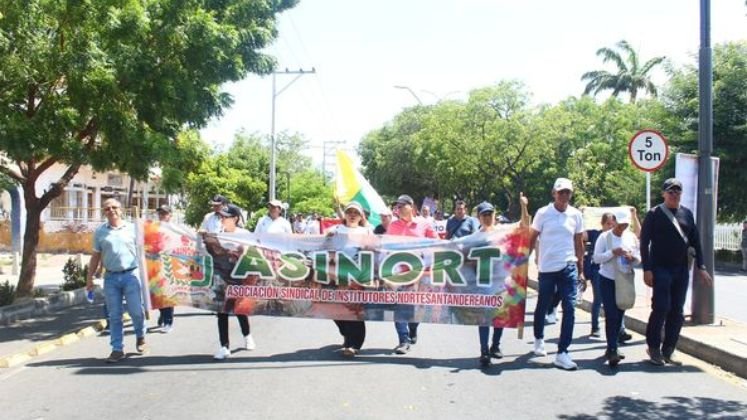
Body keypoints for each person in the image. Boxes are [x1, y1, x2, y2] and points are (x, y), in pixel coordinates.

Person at [641, 178, 712, 366]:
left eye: (677, 192)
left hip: (680, 269)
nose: (674, 195)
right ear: (664, 194)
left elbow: (695, 242)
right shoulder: (654, 214)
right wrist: (647, 269)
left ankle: (669, 349)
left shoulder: (687, 214)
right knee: (661, 307)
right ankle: (654, 347)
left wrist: (702, 267)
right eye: (670, 192)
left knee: (677, 311)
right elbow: (644, 243)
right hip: (660, 268)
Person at [528, 177, 585, 370]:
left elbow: (579, 243)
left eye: (567, 192)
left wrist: (581, 271)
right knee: (543, 304)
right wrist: (523, 263)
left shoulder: (576, 215)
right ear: (554, 193)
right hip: (547, 268)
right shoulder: (543, 213)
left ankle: (562, 352)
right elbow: (532, 238)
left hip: (568, 266)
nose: (564, 196)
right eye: (561, 192)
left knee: (569, 308)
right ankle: (538, 338)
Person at [85, 198, 146, 363]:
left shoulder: (133, 229)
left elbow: (144, 253)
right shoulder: (100, 232)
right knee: (114, 315)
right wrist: (89, 277)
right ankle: (117, 349)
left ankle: (140, 334)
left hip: (131, 275)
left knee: (136, 311)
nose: (111, 210)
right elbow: (96, 256)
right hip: (111, 277)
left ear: (121, 210)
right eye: (107, 208)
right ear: (103, 212)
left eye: (114, 207)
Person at [473, 196, 530, 366]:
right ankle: (484, 350)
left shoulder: (503, 230)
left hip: (501, 281)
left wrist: (524, 206)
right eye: (484, 215)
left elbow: (525, 224)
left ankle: (495, 346)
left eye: (490, 214)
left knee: (500, 316)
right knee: (484, 318)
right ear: (479, 217)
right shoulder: (475, 237)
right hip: (483, 282)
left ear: (494, 214)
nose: (487, 217)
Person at [387, 194, 437, 354]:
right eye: (397, 206)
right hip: (399, 273)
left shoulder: (424, 224)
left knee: (417, 307)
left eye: (402, 205)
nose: (398, 208)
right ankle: (403, 340)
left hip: (420, 273)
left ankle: (413, 328)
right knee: (400, 306)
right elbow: (385, 247)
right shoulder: (392, 226)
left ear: (411, 206)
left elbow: (436, 243)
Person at [593, 210, 640, 367]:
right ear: (613, 221)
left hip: (624, 279)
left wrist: (632, 258)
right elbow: (596, 258)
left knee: (620, 312)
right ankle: (612, 348)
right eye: (620, 224)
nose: (622, 227)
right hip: (607, 279)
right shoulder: (605, 237)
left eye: (625, 224)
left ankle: (613, 345)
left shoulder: (630, 237)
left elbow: (638, 258)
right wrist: (612, 252)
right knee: (611, 314)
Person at [326, 202, 372, 357]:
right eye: (349, 212)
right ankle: (346, 334)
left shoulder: (366, 231)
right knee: (334, 308)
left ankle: (354, 344)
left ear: (361, 216)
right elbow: (325, 245)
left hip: (357, 276)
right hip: (335, 275)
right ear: (344, 215)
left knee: (354, 310)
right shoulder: (335, 230)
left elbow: (373, 250)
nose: (352, 215)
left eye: (356, 213)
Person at [213, 204, 256, 360]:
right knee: (222, 311)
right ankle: (224, 346)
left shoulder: (243, 234)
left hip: (239, 277)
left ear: (235, 219)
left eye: (226, 217)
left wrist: (238, 251)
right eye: (221, 217)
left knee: (239, 309)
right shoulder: (217, 234)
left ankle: (247, 336)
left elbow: (251, 253)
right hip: (221, 277)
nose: (223, 219)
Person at [583, 212, 615, 337]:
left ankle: (620, 330)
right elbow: (580, 236)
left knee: (617, 301)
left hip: (614, 271)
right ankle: (595, 327)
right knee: (599, 299)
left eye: (613, 224)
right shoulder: (595, 234)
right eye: (608, 224)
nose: (611, 227)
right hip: (598, 271)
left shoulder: (618, 236)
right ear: (602, 224)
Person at [156, 204, 175, 333]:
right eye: (160, 214)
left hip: (171, 264)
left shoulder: (175, 229)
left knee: (168, 294)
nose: (162, 216)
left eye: (164, 214)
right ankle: (162, 314)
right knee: (158, 293)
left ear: (170, 215)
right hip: (156, 264)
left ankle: (168, 321)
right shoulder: (154, 228)